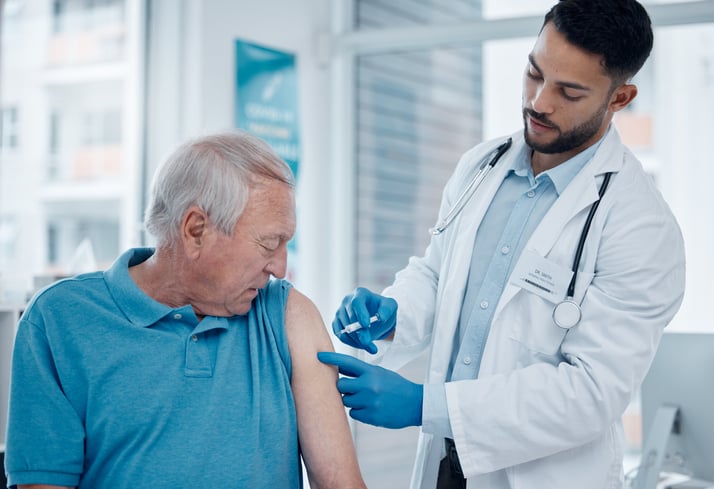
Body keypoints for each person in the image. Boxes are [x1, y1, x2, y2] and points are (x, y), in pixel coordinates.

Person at [318, 1, 686, 488]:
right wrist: (393, 314)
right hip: (447, 468)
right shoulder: (481, 166)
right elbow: (437, 273)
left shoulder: (641, 227)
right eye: (534, 74)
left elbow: (589, 392)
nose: (539, 102)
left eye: (568, 92)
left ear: (620, 98)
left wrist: (425, 405)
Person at [5, 131, 367, 489]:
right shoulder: (58, 321)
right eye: (269, 243)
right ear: (196, 230)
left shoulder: (288, 316)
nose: (279, 267)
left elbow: (339, 483)